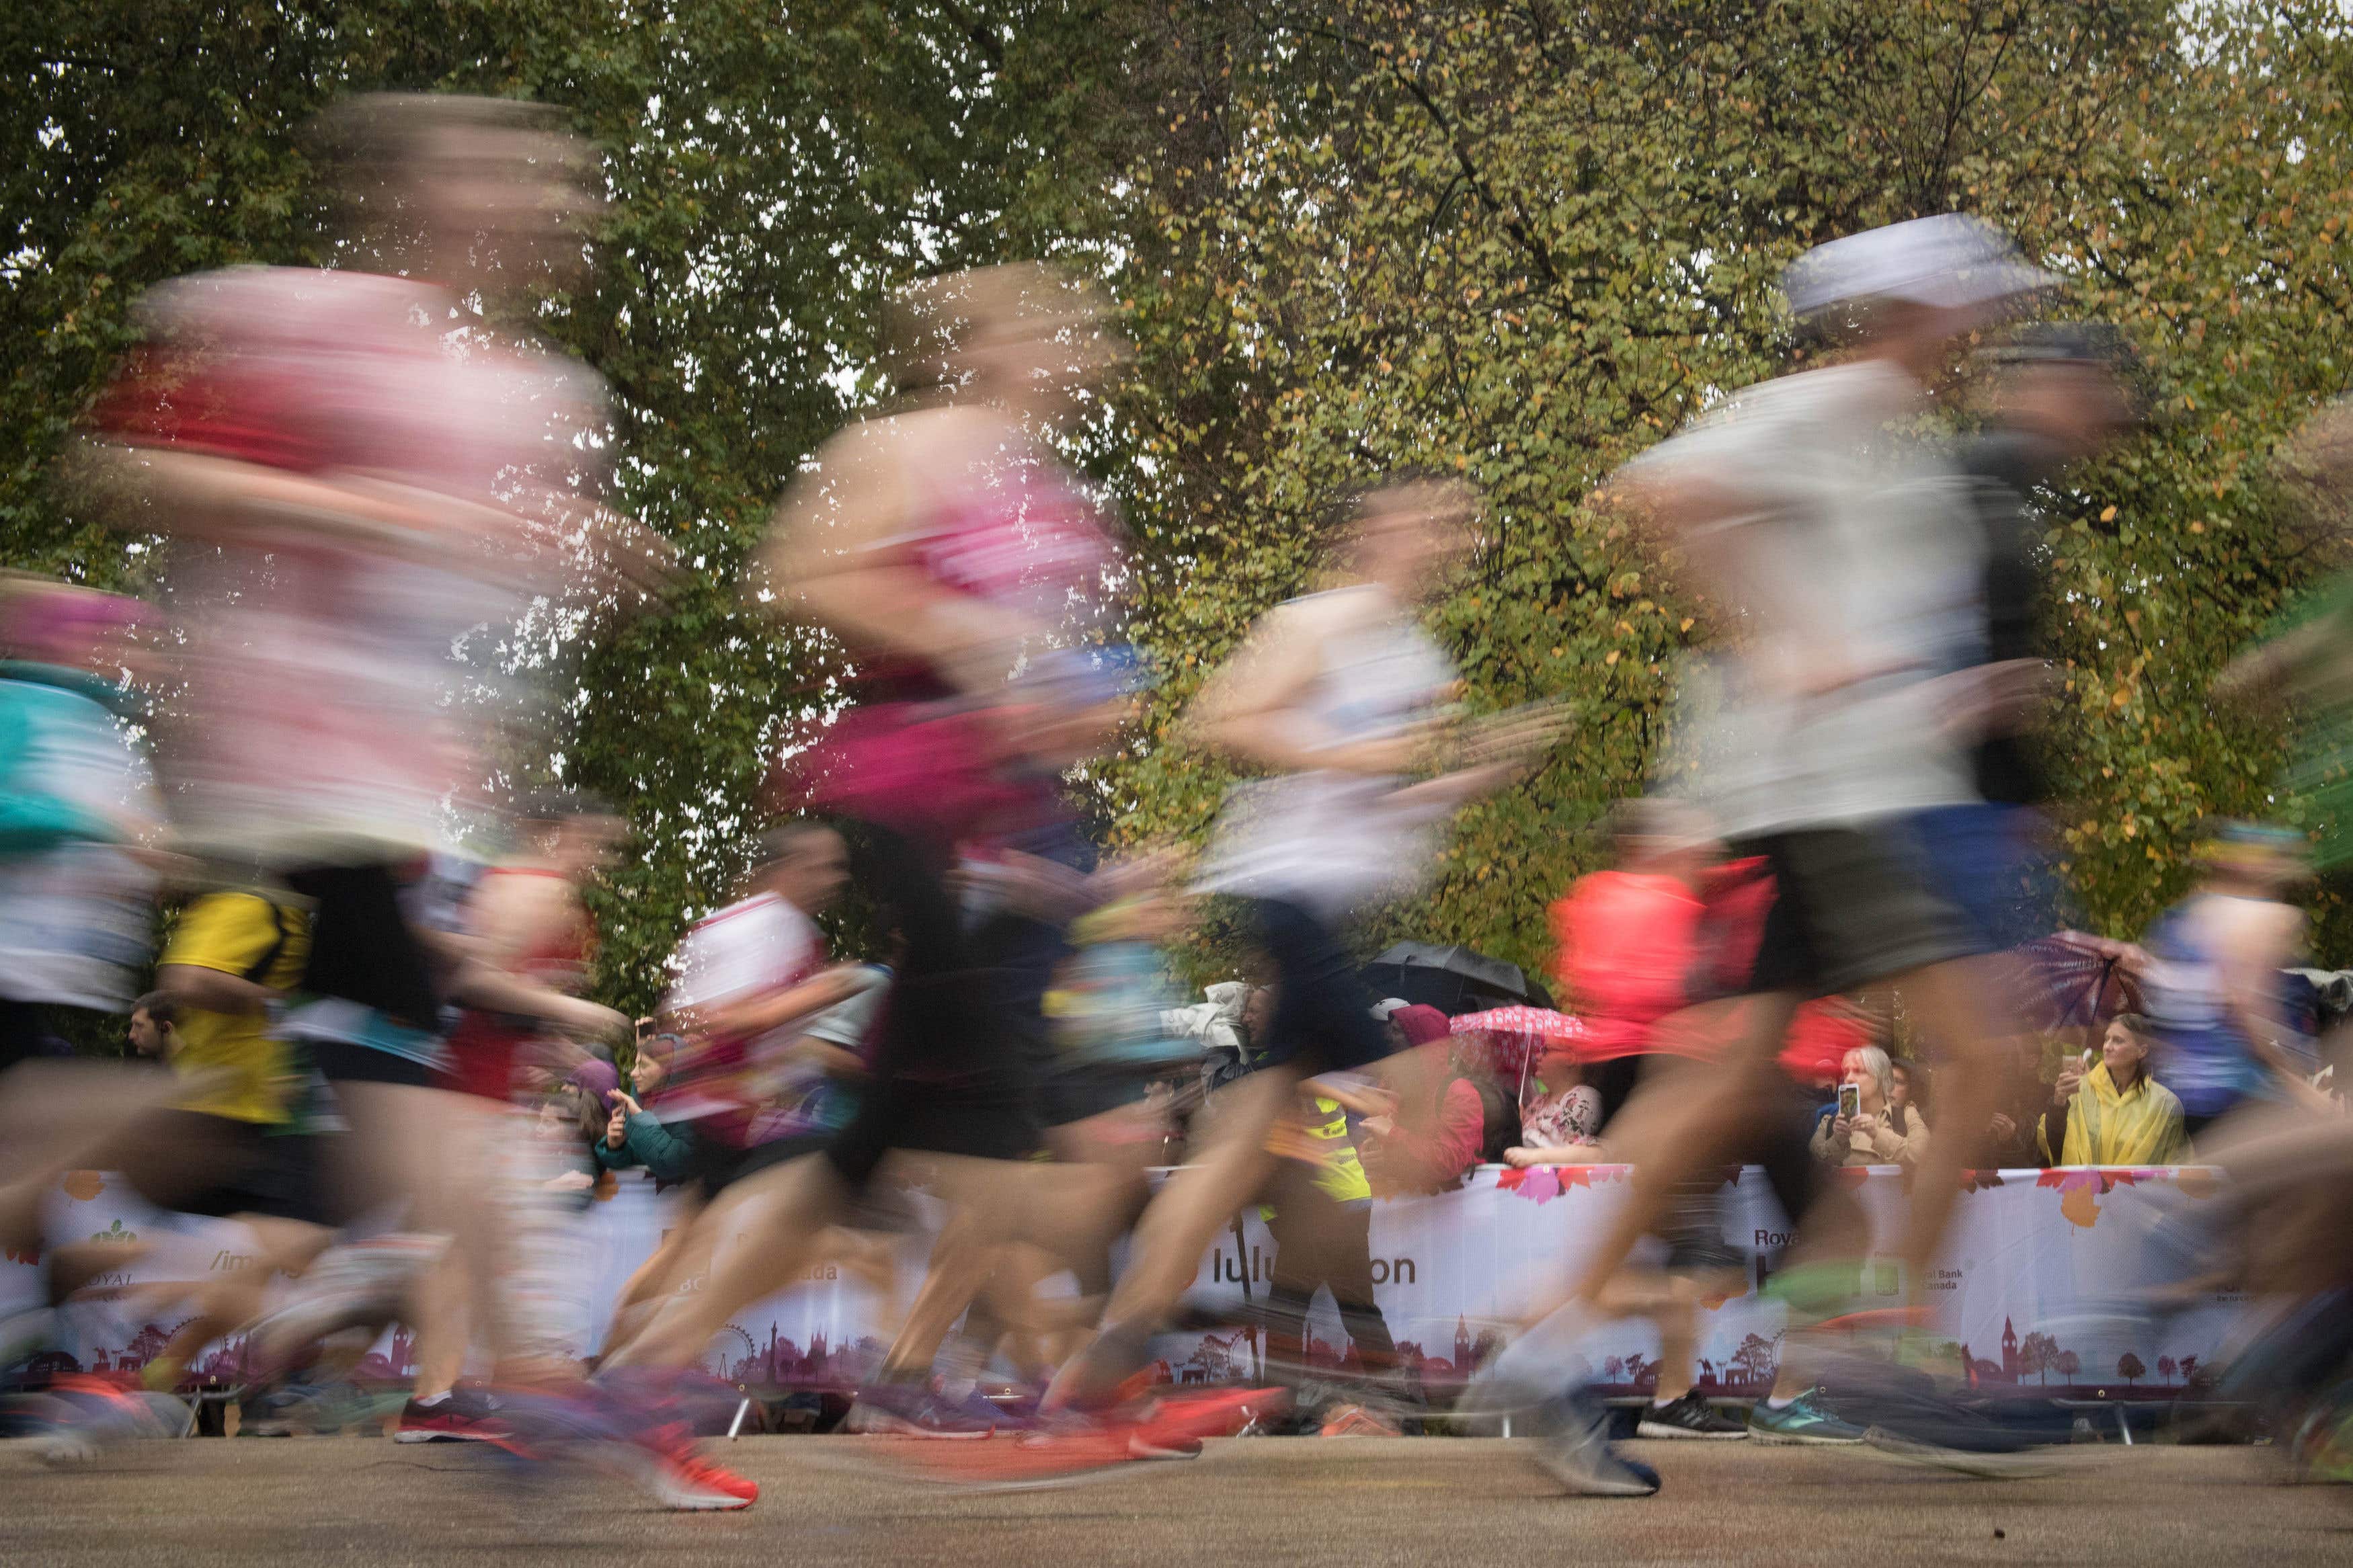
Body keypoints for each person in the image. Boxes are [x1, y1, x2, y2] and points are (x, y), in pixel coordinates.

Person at [1468, 214, 2055, 1490]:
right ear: (1911, 310)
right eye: (1967, 307)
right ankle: (1883, 1340)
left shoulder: (1897, 438)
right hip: (1850, 800)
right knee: (1993, 1050)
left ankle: (1553, 1337)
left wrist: (1956, 692)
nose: (1979, 328)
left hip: (1846, 788)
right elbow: (1665, 489)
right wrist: (1786, 637)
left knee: (1732, 1076)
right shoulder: (1831, 403)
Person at [1015, 471, 1562, 1475]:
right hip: (1289, 900)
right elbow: (1225, 721)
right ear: (1377, 527)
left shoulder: (1411, 648)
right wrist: (1363, 754)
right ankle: (1501, 1369)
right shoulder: (1322, 621)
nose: (1446, 535)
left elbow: (1386, 804)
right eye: (1429, 516)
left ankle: (1119, 1353)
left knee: (1246, 1152)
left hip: (1329, 913)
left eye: (1458, 523)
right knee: (1441, 1093)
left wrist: (1469, 774)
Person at [2141, 822, 2328, 1139]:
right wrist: (2299, 1087)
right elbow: (2246, 1010)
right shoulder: (2263, 918)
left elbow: (2159, 1009)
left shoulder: (2183, 915)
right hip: (2244, 1094)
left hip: (2184, 1093)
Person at [2039, 1014, 2190, 1166]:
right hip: (2087, 1189)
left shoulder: (2164, 1104)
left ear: (2142, 1051)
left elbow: (2175, 1168)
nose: (2107, 1047)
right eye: (2107, 1039)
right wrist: (2059, 1102)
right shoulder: (2081, 1090)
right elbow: (2056, 1148)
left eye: (2118, 1041)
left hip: (2138, 1189)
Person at [1810, 1046, 1930, 1169]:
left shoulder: (1907, 1115)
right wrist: (1837, 1140)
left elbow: (1925, 1157)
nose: (1849, 1079)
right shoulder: (1830, 1121)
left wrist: (1878, 1134)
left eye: (1858, 1071)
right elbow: (1811, 1170)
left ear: (1880, 1077)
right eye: (1846, 1072)